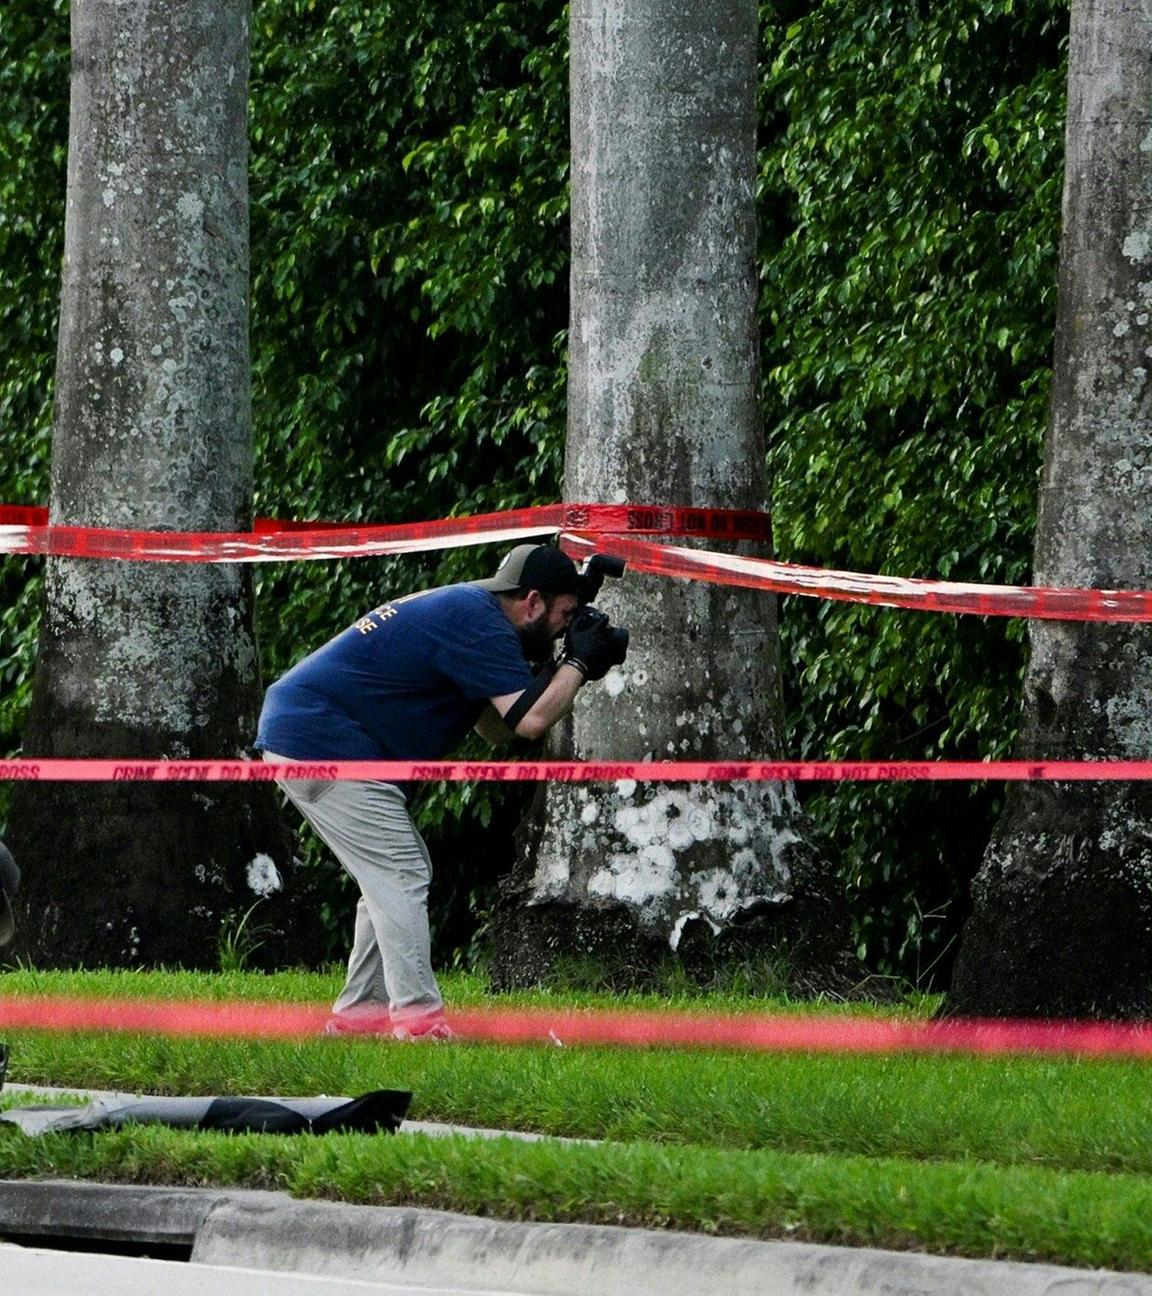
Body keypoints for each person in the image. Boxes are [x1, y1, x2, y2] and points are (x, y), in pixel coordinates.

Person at [254, 543, 627, 1041]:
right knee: (401, 871)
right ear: (532, 602)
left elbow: (496, 729)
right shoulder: (480, 623)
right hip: (317, 736)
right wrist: (578, 664)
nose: (564, 628)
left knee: (391, 875)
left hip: (304, 731)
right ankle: (418, 1025)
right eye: (563, 615)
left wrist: (565, 670)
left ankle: (359, 1019)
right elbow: (530, 721)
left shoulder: (473, 615)